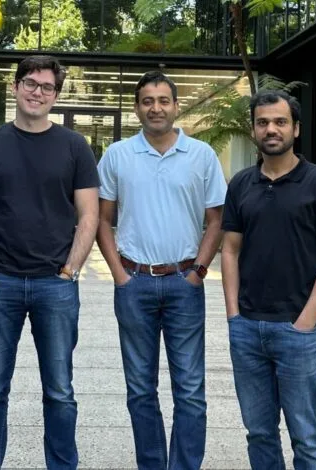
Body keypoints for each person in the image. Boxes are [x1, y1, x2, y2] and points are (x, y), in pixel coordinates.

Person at [0, 55, 100, 470]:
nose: (37, 92)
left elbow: (89, 216)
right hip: (0, 281)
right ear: (15, 87)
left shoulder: (74, 146)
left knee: (60, 389)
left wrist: (69, 272)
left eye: (46, 87)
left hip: (55, 285)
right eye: (30, 83)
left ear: (56, 95)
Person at [95, 71, 227, 470]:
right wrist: (118, 274)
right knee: (140, 390)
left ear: (175, 105)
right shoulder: (117, 155)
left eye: (163, 100)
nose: (156, 108)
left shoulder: (201, 155)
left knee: (189, 390)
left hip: (185, 283)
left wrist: (199, 272)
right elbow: (102, 220)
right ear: (137, 107)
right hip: (133, 284)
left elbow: (217, 220)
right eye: (148, 101)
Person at [221, 89, 316, 470]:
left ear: (296, 129)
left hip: (299, 333)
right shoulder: (241, 184)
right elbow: (229, 250)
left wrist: (305, 322)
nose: (271, 129)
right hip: (247, 328)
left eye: (279, 122)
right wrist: (233, 315)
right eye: (263, 123)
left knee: (306, 436)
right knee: (258, 433)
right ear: (253, 130)